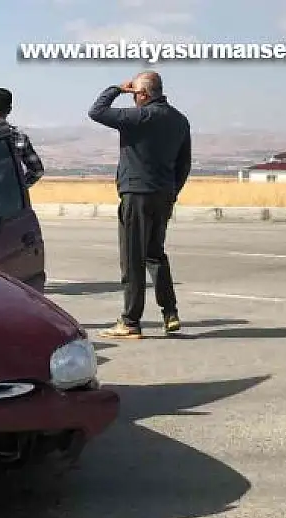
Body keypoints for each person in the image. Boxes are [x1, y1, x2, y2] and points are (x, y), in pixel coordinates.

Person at [88, 70, 191, 339]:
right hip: (163, 195)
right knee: (155, 254)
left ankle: (130, 321)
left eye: (135, 94)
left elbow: (97, 111)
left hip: (137, 194)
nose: (133, 98)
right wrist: (172, 191)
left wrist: (117, 89)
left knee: (132, 258)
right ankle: (170, 313)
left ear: (143, 94)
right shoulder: (179, 120)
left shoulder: (139, 116)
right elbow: (184, 163)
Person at [0, 88, 44, 187]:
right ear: (9, 110)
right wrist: (18, 188)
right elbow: (37, 170)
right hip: (8, 198)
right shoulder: (20, 138)